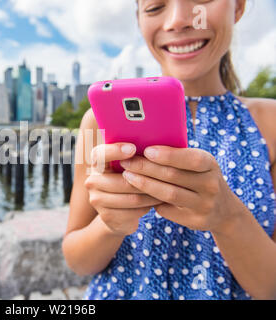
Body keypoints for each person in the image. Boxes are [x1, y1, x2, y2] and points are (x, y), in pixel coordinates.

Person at [62, 0, 276, 300]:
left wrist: (227, 217)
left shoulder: (272, 124)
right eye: (155, 7)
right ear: (139, 20)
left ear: (238, 7)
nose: (177, 20)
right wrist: (109, 224)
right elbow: (77, 260)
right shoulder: (99, 123)